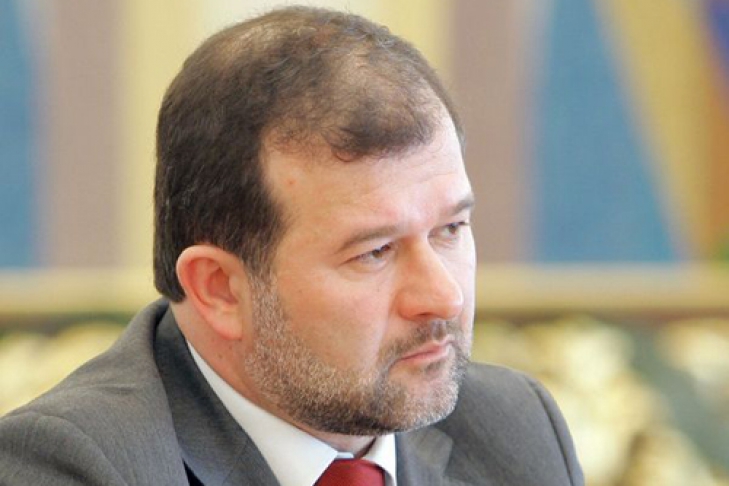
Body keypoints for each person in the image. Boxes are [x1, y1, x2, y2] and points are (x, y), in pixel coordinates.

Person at [0, 6, 583, 485]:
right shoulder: (76, 466)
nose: (444, 297)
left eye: (450, 229)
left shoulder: (513, 429)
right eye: (375, 252)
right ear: (221, 290)